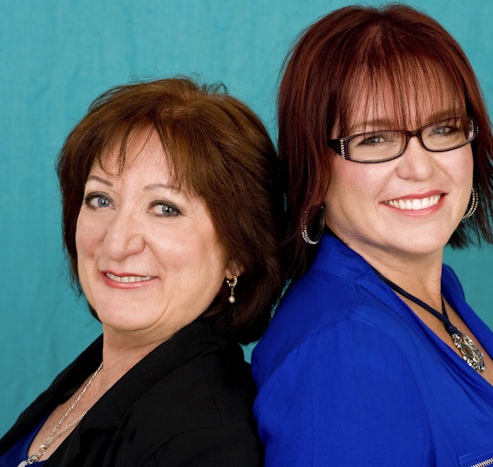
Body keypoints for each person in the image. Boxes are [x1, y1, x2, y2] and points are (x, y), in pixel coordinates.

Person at [251, 4, 493, 466]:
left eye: (444, 128)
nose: (421, 168)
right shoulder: (343, 349)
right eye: (374, 138)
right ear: (313, 165)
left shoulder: (436, 292)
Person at [0, 76, 284, 466]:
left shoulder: (208, 441)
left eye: (166, 209)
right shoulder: (94, 376)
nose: (116, 243)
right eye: (101, 199)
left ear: (237, 252)